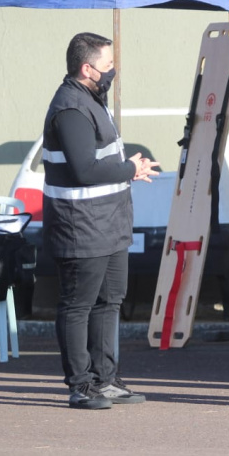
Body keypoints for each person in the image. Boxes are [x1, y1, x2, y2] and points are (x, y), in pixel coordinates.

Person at [43, 32, 159, 410]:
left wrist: (130, 171)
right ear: (87, 68)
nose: (113, 71)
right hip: (81, 227)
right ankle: (81, 385)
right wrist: (129, 168)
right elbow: (84, 169)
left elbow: (101, 162)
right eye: (108, 65)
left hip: (109, 224)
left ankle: (105, 379)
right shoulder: (71, 108)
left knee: (110, 301)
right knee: (78, 305)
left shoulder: (94, 99)